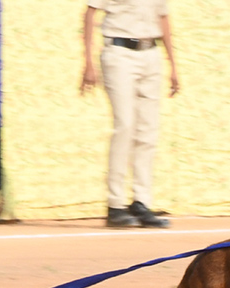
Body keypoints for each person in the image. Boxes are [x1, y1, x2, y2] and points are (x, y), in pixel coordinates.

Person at [81, 0, 179, 228]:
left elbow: (163, 17)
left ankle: (141, 201)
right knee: (125, 125)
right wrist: (88, 62)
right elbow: (90, 14)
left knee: (148, 131)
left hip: (151, 53)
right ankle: (115, 204)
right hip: (119, 52)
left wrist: (173, 65)